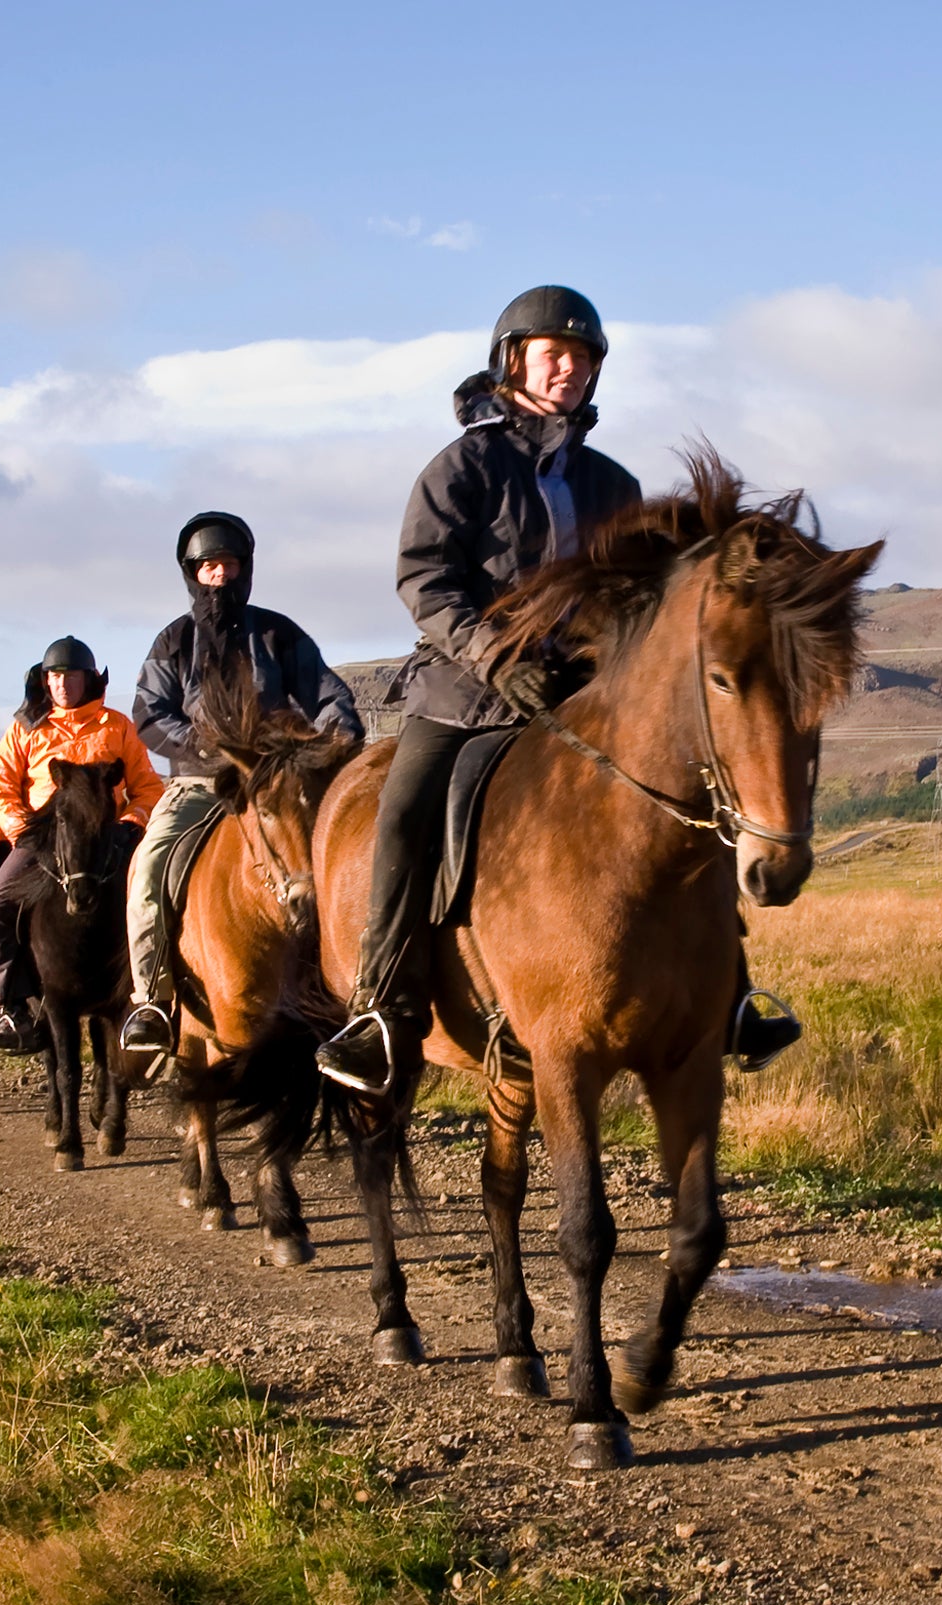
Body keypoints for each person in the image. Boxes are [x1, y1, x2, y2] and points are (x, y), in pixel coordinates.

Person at [317, 285, 802, 1092]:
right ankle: (383, 1011)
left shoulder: (611, 483)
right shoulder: (462, 466)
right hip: (466, 694)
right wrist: (495, 653)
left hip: (584, 695)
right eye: (553, 354)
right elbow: (424, 577)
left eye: (582, 358)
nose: (569, 369)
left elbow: (641, 594)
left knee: (694, 807)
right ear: (512, 362)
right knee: (401, 819)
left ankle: (732, 995)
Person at [120, 511, 364, 1052]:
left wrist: (336, 736)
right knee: (150, 867)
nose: (220, 575)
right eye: (209, 566)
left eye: (228, 564)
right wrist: (211, 749)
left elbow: (328, 693)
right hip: (197, 785)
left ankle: (366, 999)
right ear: (192, 573)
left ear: (245, 569)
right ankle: (153, 1000)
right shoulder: (173, 641)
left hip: (278, 784)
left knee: (350, 859)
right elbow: (149, 714)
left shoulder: (279, 632)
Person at [0, 636, 165, 1051]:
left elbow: (148, 787)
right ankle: (13, 1009)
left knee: (155, 900)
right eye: (55, 676)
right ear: (45, 682)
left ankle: (152, 1000)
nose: (62, 684)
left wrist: (130, 824)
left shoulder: (117, 726)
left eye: (71, 676)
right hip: (44, 840)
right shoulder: (25, 730)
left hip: (108, 841)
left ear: (89, 680)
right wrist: (23, 832)